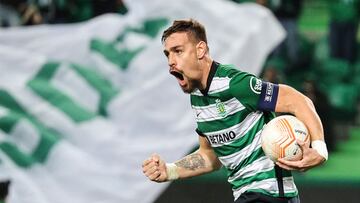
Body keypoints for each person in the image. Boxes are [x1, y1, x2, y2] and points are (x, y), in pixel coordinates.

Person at [142, 19, 328, 203]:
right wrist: (170, 170)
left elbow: (298, 101)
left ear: (200, 50)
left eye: (178, 51)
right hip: (247, 195)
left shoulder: (235, 83)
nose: (171, 62)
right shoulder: (198, 98)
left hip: (268, 194)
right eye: (167, 54)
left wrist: (319, 150)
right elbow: (210, 157)